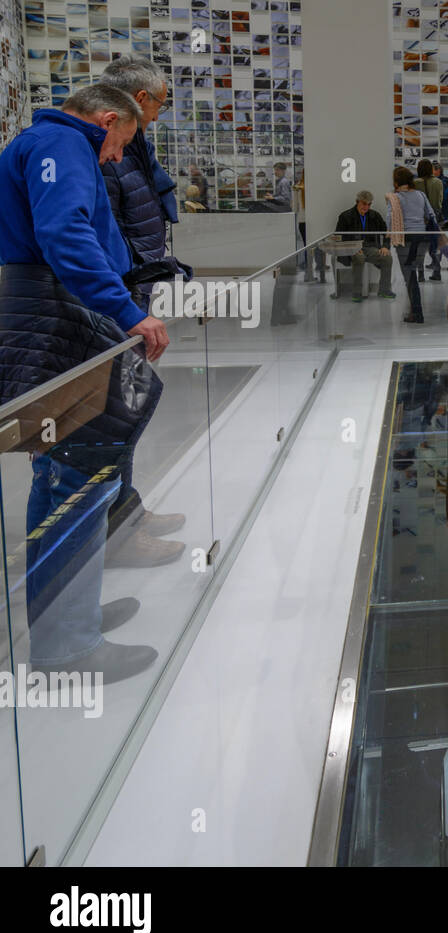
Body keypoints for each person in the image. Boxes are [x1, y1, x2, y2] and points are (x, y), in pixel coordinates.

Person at [0, 84, 170, 682]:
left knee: (56, 472)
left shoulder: (37, 141)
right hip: (52, 313)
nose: (117, 158)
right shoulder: (64, 146)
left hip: (41, 310)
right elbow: (66, 234)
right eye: (119, 143)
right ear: (105, 121)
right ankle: (68, 644)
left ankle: (62, 621)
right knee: (82, 468)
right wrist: (128, 311)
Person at [99, 54, 188, 568]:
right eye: (159, 102)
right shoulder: (110, 148)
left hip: (133, 290)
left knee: (126, 405)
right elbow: (102, 231)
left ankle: (126, 512)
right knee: (115, 410)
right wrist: (126, 291)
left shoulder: (132, 146)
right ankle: (117, 533)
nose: (159, 114)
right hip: (119, 297)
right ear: (138, 99)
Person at [387, 166, 437, 324]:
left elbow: (390, 218)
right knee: (413, 274)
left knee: (410, 278)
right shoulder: (421, 195)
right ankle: (415, 310)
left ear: (396, 182)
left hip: (405, 241)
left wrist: (389, 237)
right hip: (422, 239)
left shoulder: (395, 198)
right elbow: (431, 214)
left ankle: (417, 313)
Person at [333, 190, 395, 302]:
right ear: (357, 202)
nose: (366, 207)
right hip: (351, 248)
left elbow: (386, 233)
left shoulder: (375, 216)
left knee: (387, 257)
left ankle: (384, 290)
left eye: (369, 204)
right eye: (364, 203)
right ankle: (357, 293)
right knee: (359, 258)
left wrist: (385, 246)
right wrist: (352, 249)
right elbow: (339, 237)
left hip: (370, 247)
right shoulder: (345, 216)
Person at [412, 159, 444, 281]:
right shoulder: (438, 182)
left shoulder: (415, 183)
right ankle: (437, 272)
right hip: (433, 217)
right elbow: (439, 201)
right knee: (434, 246)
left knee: (418, 247)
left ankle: (420, 275)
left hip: (419, 218)